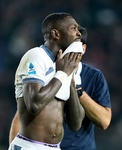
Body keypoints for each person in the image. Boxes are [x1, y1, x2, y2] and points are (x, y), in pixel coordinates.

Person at [9, 25, 112, 150]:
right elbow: (22, 115)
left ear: (83, 49)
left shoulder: (94, 76)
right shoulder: (45, 69)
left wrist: (76, 88)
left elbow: (104, 121)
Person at [8, 12, 85, 150]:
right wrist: (62, 73)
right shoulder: (36, 56)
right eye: (73, 28)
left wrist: (70, 77)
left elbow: (75, 124)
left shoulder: (67, 66)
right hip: (29, 146)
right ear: (56, 34)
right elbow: (34, 105)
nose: (79, 33)